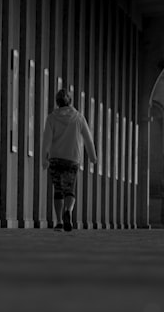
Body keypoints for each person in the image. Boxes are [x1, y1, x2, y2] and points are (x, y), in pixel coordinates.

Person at [40, 89, 97, 232]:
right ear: (70, 101)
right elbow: (88, 139)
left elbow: (46, 140)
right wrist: (92, 157)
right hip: (72, 158)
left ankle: (59, 221)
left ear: (57, 102)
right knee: (70, 189)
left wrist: (44, 159)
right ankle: (69, 211)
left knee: (58, 189)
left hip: (55, 158)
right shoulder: (79, 118)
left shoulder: (51, 118)